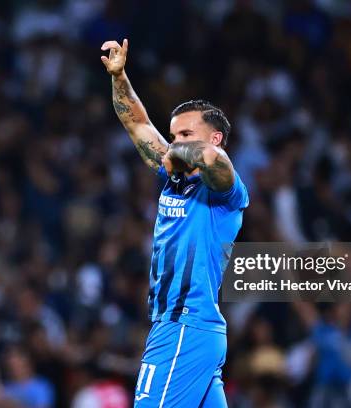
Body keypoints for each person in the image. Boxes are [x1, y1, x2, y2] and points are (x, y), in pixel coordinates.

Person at [101, 39, 249, 407]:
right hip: (189, 329)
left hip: (185, 327)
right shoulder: (175, 177)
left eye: (185, 135)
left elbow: (214, 159)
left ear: (214, 136)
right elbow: (136, 122)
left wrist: (176, 154)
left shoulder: (225, 192)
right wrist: (119, 76)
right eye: (172, 136)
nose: (174, 143)